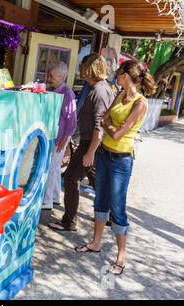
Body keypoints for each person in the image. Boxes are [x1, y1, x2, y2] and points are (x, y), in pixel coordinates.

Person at [75, 60, 156, 276]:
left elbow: (119, 133)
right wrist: (111, 126)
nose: (115, 77)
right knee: (100, 199)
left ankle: (120, 257)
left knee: (117, 207)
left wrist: (110, 127)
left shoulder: (140, 103)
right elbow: (103, 119)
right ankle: (95, 243)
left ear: (126, 75)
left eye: (119, 73)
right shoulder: (120, 94)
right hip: (104, 155)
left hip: (121, 160)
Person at [48, 53, 114, 231]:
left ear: (91, 68)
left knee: (71, 177)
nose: (79, 69)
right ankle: (110, 215)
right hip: (91, 142)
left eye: (82, 66)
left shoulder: (99, 90)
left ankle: (69, 221)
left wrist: (90, 151)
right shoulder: (97, 88)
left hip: (91, 142)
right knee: (96, 180)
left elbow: (99, 126)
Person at [42, 61, 77, 210]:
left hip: (60, 137)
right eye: (49, 75)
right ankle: (56, 197)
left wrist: (65, 140)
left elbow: (72, 120)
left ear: (61, 76)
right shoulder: (51, 90)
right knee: (55, 168)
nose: (49, 79)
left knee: (50, 168)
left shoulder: (67, 93)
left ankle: (47, 200)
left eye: (52, 76)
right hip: (52, 136)